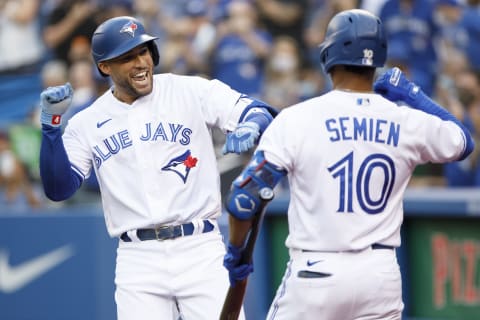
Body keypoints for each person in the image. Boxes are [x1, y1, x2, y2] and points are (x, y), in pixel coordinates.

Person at [222, 9, 474, 320]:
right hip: (380, 277)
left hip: (317, 273)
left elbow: (244, 199)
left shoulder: (298, 117)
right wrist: (412, 93)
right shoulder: (405, 119)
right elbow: (463, 140)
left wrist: (236, 253)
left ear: (329, 53)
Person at [38, 16, 276, 320]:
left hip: (200, 247)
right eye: (127, 57)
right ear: (105, 67)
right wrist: (51, 130)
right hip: (138, 258)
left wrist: (252, 125)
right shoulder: (87, 121)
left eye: (144, 52)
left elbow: (257, 110)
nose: (140, 62)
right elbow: (59, 189)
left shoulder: (187, 90)